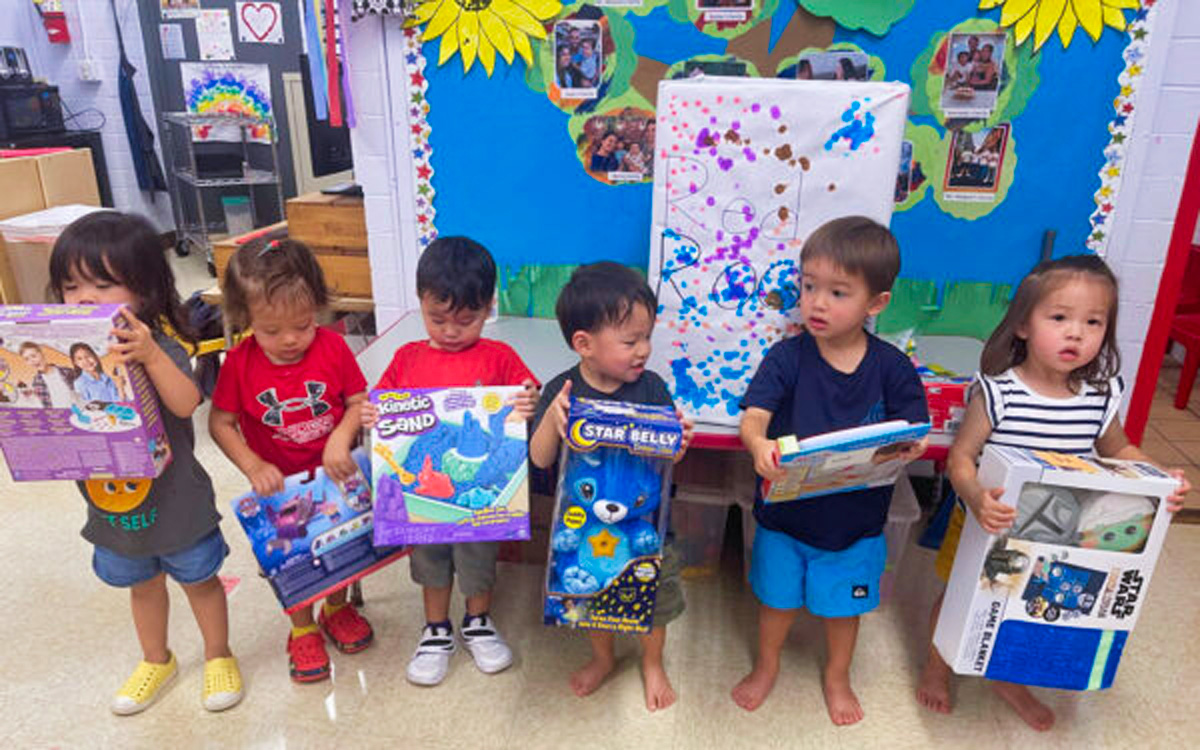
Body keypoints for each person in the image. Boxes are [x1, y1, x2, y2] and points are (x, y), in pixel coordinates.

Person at [915, 254, 1191, 730]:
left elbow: (1119, 446)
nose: (1076, 333)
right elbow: (961, 457)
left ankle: (1008, 677)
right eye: (1059, 318)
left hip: (1062, 527)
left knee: (1034, 601)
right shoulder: (999, 391)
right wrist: (977, 497)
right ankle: (938, 667)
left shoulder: (1100, 395)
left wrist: (1159, 475)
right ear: (1023, 324)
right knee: (967, 592)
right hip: (993, 518)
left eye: (1093, 322)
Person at [731, 216, 928, 725]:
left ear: (876, 303)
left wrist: (908, 448)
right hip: (784, 519)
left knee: (844, 610)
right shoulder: (787, 357)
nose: (816, 302)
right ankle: (767, 664)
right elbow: (755, 415)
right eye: (809, 286)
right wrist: (758, 445)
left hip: (855, 525)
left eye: (837, 292)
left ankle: (837, 676)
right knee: (775, 602)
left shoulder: (892, 367)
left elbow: (915, 431)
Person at [49, 211, 241, 715]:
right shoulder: (67, 358)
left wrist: (151, 355)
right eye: (71, 287)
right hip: (114, 506)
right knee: (141, 585)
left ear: (145, 290)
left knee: (200, 580)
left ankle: (218, 654)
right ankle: (156, 659)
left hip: (176, 502)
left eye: (103, 284)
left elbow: (184, 404)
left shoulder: (160, 347)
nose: (84, 298)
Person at [361, 236, 538, 686]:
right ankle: (436, 629)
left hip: (477, 499)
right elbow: (384, 407)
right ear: (420, 301)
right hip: (424, 497)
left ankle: (477, 621)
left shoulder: (498, 357)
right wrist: (372, 413)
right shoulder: (407, 358)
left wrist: (527, 402)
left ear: (488, 307)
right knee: (430, 562)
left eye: (467, 319)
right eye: (437, 318)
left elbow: (528, 392)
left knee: (478, 559)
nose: (452, 331)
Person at [529, 261, 694, 712]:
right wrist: (551, 421)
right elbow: (540, 460)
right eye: (630, 341)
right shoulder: (561, 392)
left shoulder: (652, 388)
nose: (643, 350)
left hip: (647, 530)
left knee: (654, 602)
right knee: (591, 596)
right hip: (583, 529)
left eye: (646, 337)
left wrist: (678, 441)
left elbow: (668, 458)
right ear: (584, 344)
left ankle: (652, 663)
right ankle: (603, 658)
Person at [209, 238, 374, 684]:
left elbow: (359, 400)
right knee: (294, 560)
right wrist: (252, 466)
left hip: (336, 478)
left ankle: (336, 609)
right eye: (270, 330)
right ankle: (302, 629)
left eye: (303, 325)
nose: (289, 340)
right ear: (245, 320)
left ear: (319, 308)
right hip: (283, 491)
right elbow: (220, 423)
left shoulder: (333, 349)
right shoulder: (239, 365)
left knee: (340, 549)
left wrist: (341, 437)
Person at [19, 341, 74, 407]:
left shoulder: (66, 372)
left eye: (33, 356)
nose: (32, 361)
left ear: (42, 353)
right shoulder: (36, 383)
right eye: (27, 359)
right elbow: (43, 406)